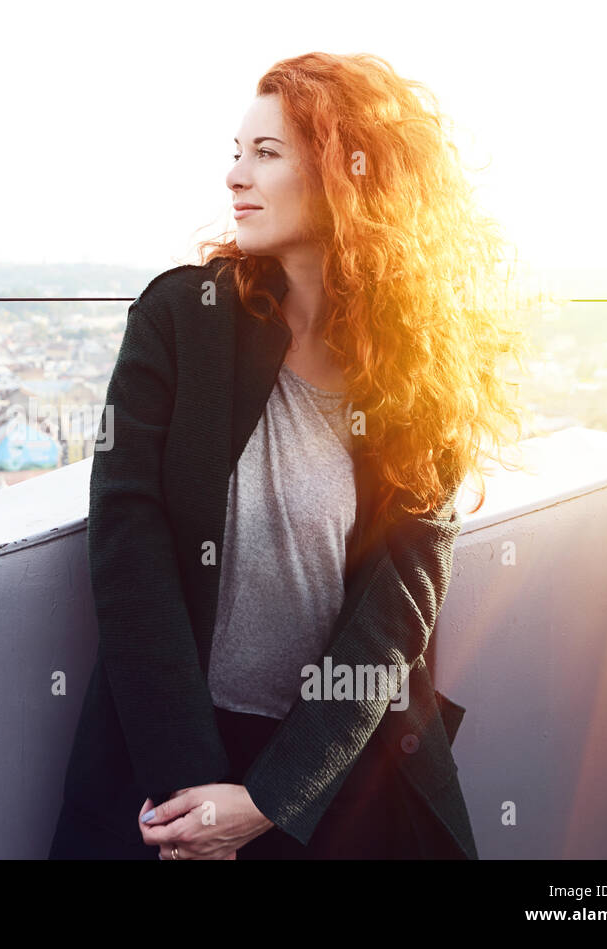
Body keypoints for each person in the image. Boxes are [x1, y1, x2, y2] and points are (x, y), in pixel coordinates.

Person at [48, 52, 526, 860]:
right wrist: (198, 801)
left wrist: (272, 800)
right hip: (172, 763)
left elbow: (400, 605)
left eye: (266, 153)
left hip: (333, 774)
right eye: (237, 152)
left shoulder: (426, 368)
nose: (235, 175)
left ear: (349, 175)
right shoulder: (180, 319)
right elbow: (128, 548)